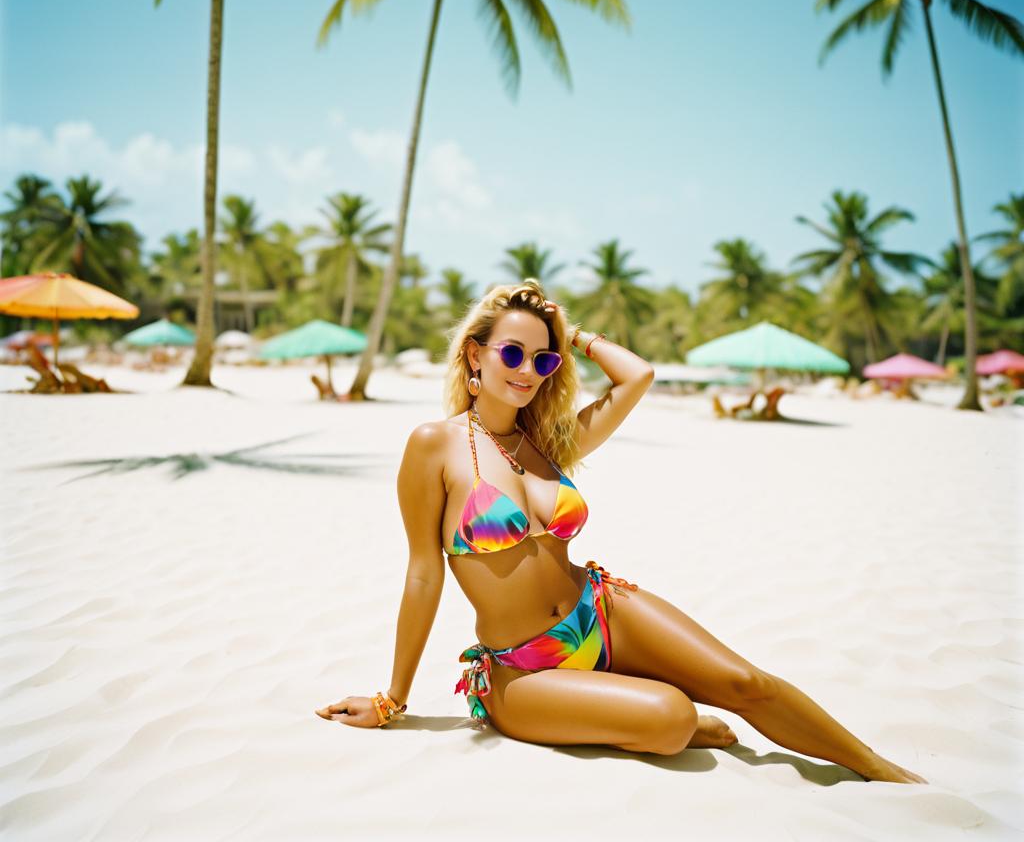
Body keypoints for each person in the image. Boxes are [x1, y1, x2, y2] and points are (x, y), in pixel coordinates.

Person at [315, 280, 926, 783]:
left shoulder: (549, 442)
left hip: (599, 608)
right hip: (525, 672)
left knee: (746, 683)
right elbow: (424, 572)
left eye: (542, 358)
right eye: (512, 353)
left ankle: (881, 772)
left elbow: (638, 376)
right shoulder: (434, 446)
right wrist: (392, 699)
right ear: (475, 354)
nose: (528, 371)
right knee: (672, 717)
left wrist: (571, 332)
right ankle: (669, 709)